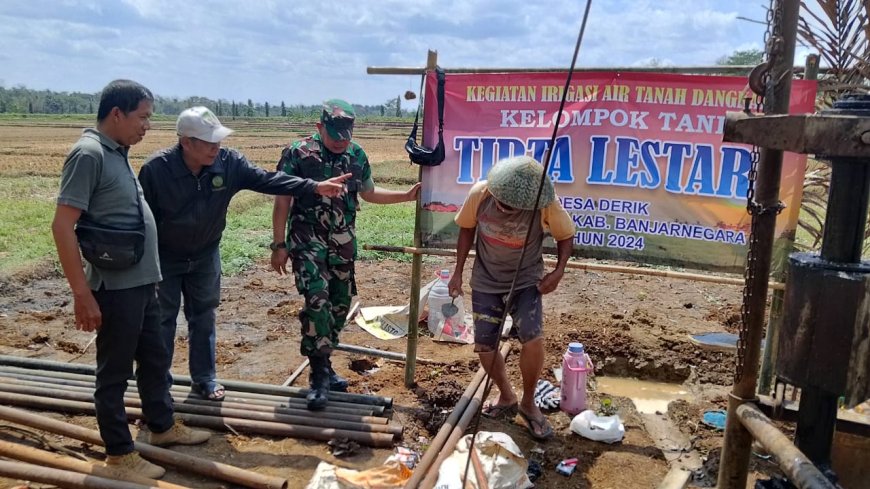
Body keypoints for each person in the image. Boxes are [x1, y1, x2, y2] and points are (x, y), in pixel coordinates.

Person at [52, 80, 210, 480]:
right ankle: (120, 455)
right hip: (114, 288)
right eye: (142, 117)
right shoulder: (88, 155)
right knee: (115, 373)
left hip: (141, 284)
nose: (147, 127)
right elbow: (62, 227)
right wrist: (81, 293)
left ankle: (161, 427)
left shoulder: (117, 153)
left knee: (156, 359)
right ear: (117, 114)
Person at [138, 106, 351, 403]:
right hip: (165, 258)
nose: (216, 148)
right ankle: (158, 389)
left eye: (218, 141)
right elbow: (141, 221)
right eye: (209, 142)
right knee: (161, 322)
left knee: (203, 317)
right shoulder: (156, 170)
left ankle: (204, 380)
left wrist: (314, 187)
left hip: (204, 255)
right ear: (186, 142)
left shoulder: (229, 163)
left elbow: (269, 180)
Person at [271, 99, 420, 410]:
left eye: (345, 136)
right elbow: (283, 198)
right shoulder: (298, 153)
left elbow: (368, 192)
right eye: (335, 135)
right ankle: (319, 377)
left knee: (339, 306)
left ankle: (324, 364)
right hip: (307, 241)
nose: (341, 142)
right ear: (319, 127)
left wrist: (405, 196)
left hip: (342, 244)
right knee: (317, 300)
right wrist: (278, 245)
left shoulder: (356, 154)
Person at [448, 155, 574, 441]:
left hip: (527, 280)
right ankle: (507, 396)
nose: (508, 210)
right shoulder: (480, 194)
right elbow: (466, 229)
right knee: (484, 345)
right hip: (486, 279)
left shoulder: (546, 204)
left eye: (516, 208)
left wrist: (559, 271)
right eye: (504, 204)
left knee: (532, 338)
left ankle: (529, 402)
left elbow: (565, 235)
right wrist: (458, 272)